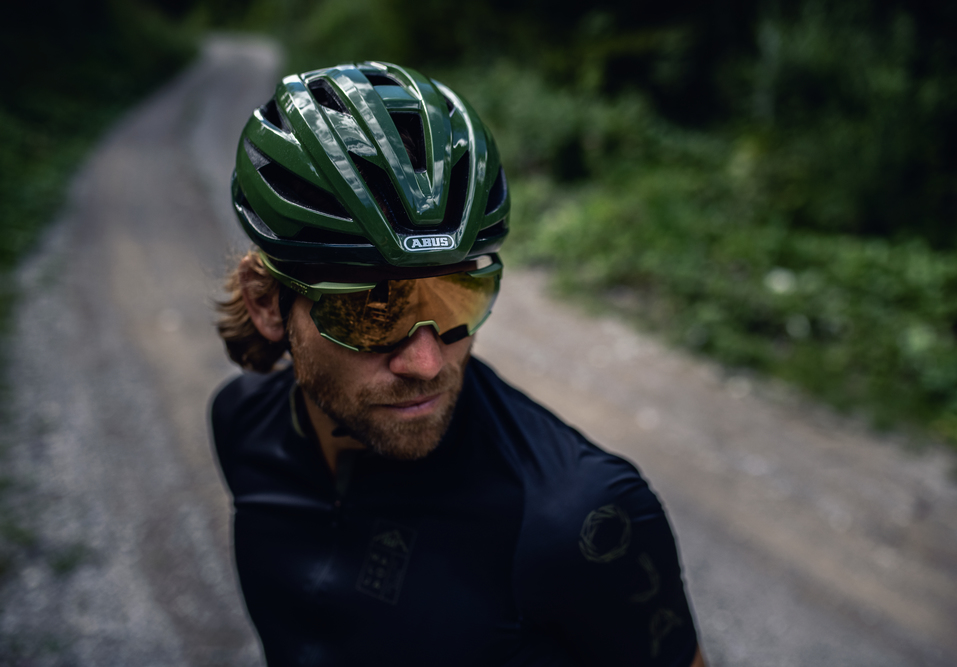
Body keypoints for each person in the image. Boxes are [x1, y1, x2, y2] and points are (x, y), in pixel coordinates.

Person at [211, 61, 705, 667]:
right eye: (369, 311)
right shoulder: (241, 423)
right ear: (266, 303)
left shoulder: (581, 520)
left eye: (455, 297)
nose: (426, 363)